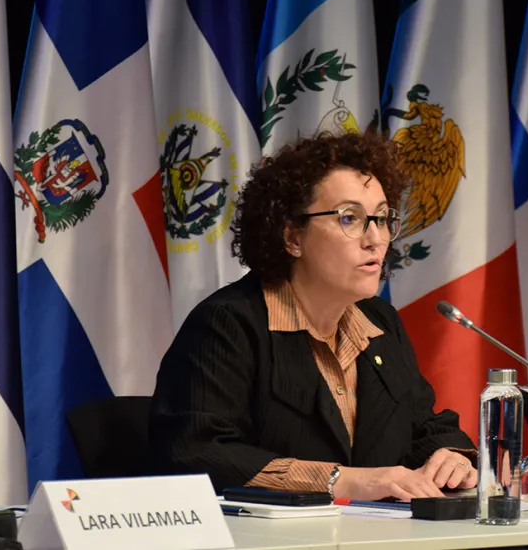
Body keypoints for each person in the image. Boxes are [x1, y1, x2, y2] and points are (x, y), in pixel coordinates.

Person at [148, 132, 477, 501]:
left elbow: (425, 426)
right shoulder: (227, 325)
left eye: (382, 218)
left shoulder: (380, 322)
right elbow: (196, 451)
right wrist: (343, 481)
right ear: (292, 237)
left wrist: (450, 457)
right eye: (350, 218)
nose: (375, 239)